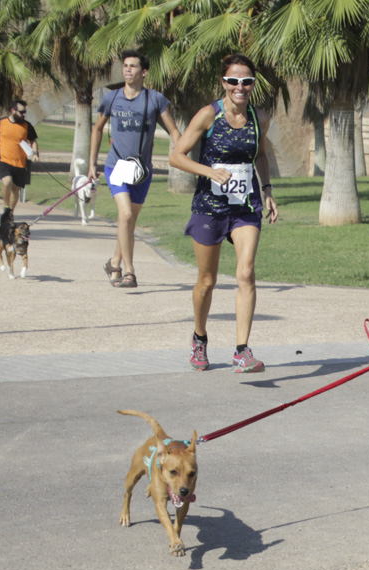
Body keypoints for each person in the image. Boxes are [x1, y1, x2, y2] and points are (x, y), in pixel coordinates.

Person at [169, 54, 278, 374]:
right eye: (233, 81)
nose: (240, 87)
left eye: (246, 81)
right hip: (210, 206)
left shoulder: (261, 118)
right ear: (224, 83)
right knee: (207, 280)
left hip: (245, 206)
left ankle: (242, 351)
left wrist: (268, 190)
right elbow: (177, 157)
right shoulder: (208, 115)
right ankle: (199, 338)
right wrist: (210, 172)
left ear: (253, 84)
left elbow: (260, 154)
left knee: (245, 273)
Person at [90, 49, 182, 288]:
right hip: (116, 166)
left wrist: (178, 150)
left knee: (129, 221)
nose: (128, 69)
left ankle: (114, 262)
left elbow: (173, 130)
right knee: (126, 215)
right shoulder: (111, 98)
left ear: (144, 72)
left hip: (143, 171)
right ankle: (129, 271)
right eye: (125, 66)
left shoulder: (155, 99)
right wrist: (92, 164)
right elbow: (97, 129)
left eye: (133, 66)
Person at [0, 100, 38, 212]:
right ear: (13, 110)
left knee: (15, 189)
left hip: (20, 163)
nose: (24, 114)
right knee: (7, 181)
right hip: (4, 160)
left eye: (25, 112)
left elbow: (33, 140)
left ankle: (10, 212)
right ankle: (6, 207)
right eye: (21, 112)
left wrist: (35, 154)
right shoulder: (1, 122)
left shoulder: (27, 126)